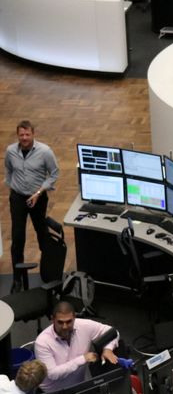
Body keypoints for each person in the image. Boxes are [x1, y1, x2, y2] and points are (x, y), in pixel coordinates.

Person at [4, 120, 59, 291]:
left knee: (42, 234)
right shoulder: (11, 151)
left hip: (38, 198)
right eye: (21, 135)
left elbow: (54, 174)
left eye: (27, 134)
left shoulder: (45, 152)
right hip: (18, 198)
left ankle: (49, 273)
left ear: (33, 134)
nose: (25, 138)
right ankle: (17, 279)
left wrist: (39, 192)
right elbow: (8, 169)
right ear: (17, 135)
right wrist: (11, 184)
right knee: (17, 238)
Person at [35, 301, 119, 392]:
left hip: (78, 387)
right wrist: (83, 359)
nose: (64, 326)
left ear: (74, 318)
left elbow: (113, 332)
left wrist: (108, 349)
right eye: (60, 322)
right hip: (53, 391)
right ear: (52, 319)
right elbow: (53, 374)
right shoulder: (42, 342)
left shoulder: (84, 325)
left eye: (69, 321)